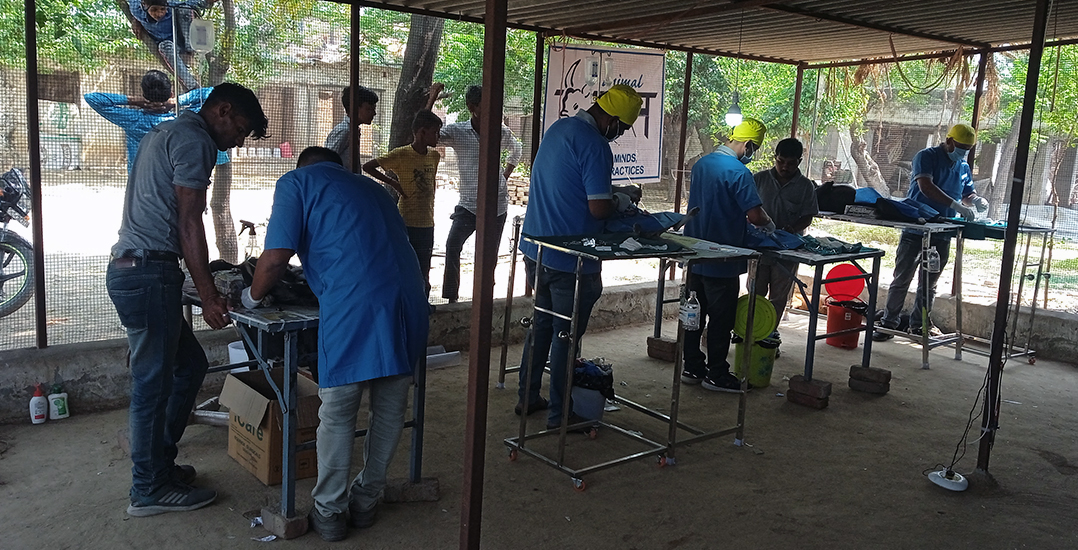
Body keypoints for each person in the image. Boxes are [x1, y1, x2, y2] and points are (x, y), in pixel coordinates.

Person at [242, 147, 428, 542]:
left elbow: (276, 258)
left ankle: (329, 511)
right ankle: (366, 502)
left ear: (303, 167)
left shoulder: (297, 182)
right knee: (390, 409)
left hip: (354, 304)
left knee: (339, 411)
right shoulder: (373, 189)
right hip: (408, 300)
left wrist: (251, 298)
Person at [106, 82, 268, 517]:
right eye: (240, 129)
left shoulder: (167, 131)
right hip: (148, 272)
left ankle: (159, 464)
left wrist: (198, 281)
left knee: (189, 365)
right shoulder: (196, 140)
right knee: (152, 386)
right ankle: (148, 487)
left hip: (139, 269)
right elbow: (189, 222)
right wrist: (210, 294)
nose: (238, 140)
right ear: (224, 109)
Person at [517, 84, 642, 429]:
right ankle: (560, 415)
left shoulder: (560, 129)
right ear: (614, 120)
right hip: (571, 259)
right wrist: (620, 202)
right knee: (566, 338)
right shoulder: (597, 145)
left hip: (537, 250)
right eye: (624, 128)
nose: (621, 134)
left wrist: (616, 191)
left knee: (541, 326)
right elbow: (598, 208)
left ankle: (527, 396)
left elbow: (571, 185)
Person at [681, 118, 776, 392]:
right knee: (721, 320)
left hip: (696, 252)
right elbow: (755, 214)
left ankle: (692, 366)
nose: (752, 153)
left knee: (693, 315)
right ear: (748, 145)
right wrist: (769, 225)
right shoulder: (738, 172)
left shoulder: (702, 164)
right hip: (722, 257)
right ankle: (717, 374)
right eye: (754, 148)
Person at [874, 124, 988, 340]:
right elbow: (926, 186)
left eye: (967, 148)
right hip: (917, 226)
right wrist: (956, 205)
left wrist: (975, 200)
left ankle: (920, 325)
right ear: (949, 141)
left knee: (929, 283)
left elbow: (967, 193)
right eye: (961, 147)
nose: (963, 152)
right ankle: (888, 324)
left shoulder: (962, 166)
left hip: (942, 231)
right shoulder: (926, 156)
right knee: (902, 278)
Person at [433, 83, 524, 303]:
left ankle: (484, 297)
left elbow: (517, 148)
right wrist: (432, 99)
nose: (492, 109)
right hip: (468, 205)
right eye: (486, 105)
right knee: (453, 245)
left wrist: (504, 176)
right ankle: (452, 297)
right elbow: (430, 135)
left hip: (496, 205)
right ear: (472, 106)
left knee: (488, 256)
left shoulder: (499, 131)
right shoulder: (457, 131)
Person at [363, 110, 443, 300]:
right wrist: (393, 183)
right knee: (405, 266)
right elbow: (368, 167)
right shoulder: (401, 154)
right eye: (435, 132)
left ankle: (422, 304)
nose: (438, 136)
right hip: (406, 221)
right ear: (422, 132)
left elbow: (431, 183)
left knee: (424, 268)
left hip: (427, 222)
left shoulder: (434, 156)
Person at [84, 70, 229, 174]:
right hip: (174, 182)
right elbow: (214, 92)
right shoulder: (181, 120)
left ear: (144, 95)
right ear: (171, 94)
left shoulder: (133, 119)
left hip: (140, 187)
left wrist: (135, 101)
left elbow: (93, 98)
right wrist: (177, 102)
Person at [752, 137, 819, 323]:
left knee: (779, 296)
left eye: (790, 163)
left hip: (788, 250)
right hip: (759, 247)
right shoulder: (759, 179)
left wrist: (792, 229)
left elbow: (808, 216)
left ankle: (769, 333)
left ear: (799, 161)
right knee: (755, 292)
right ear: (775, 157)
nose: (784, 167)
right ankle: (747, 330)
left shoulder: (806, 187)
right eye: (780, 161)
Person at [128, 0, 207, 91]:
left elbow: (195, 2)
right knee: (164, 47)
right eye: (154, 10)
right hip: (168, 44)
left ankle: (189, 48)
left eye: (163, 9)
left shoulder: (171, 7)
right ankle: (193, 86)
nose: (159, 13)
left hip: (182, 38)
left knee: (185, 9)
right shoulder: (136, 9)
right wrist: (136, 20)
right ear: (144, 7)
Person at [326, 85, 379, 172]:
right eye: (369, 109)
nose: (374, 113)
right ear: (354, 108)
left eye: (374, 109)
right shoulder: (345, 131)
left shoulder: (353, 130)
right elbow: (326, 160)